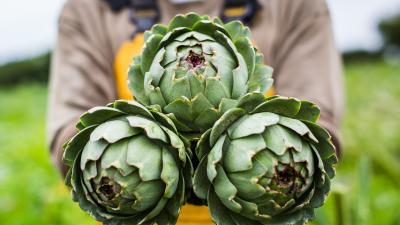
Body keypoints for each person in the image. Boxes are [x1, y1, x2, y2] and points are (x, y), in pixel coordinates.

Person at [47, 0, 344, 224]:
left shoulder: (296, 5)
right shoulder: (88, 9)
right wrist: (167, 163)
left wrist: (226, 159)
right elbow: (67, 136)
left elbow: (322, 126)